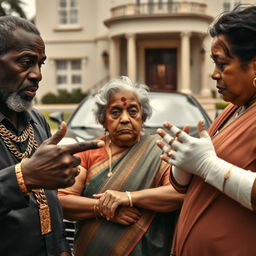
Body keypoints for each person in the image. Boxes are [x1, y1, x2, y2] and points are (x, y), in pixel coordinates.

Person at [156, 5, 256, 256]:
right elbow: (189, 185)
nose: (214, 74)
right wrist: (183, 162)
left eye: (222, 64)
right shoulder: (233, 109)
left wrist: (207, 166)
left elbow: (210, 168)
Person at [0, 16, 103, 256]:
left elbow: (49, 201)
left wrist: (60, 248)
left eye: (40, 64)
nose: (37, 75)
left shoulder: (37, 122)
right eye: (26, 62)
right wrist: (22, 177)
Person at [58, 76, 184, 256]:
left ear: (143, 116)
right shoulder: (88, 152)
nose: (125, 119)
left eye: (132, 111)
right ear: (103, 120)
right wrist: (104, 209)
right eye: (115, 112)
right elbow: (63, 201)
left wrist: (128, 197)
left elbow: (177, 194)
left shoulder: (160, 149)